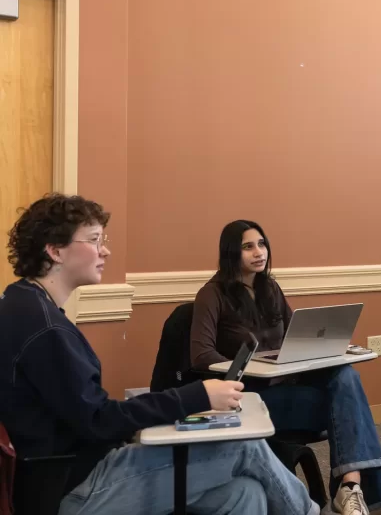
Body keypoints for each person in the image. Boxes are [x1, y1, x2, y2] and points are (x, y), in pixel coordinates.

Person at [0, 194, 318, 515]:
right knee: (245, 447)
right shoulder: (45, 329)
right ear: (55, 250)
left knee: (244, 494)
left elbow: (87, 414)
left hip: (75, 469)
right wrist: (196, 397)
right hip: (73, 487)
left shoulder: (24, 303)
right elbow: (99, 420)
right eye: (95, 240)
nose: (105, 250)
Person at [190, 220, 381, 515]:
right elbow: (200, 355)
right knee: (347, 405)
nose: (259, 252)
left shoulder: (270, 287)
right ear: (231, 252)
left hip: (288, 387)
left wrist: (329, 349)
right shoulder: (212, 294)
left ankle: (350, 487)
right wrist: (253, 364)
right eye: (248, 247)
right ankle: (353, 494)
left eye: (262, 244)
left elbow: (298, 338)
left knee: (346, 376)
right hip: (253, 398)